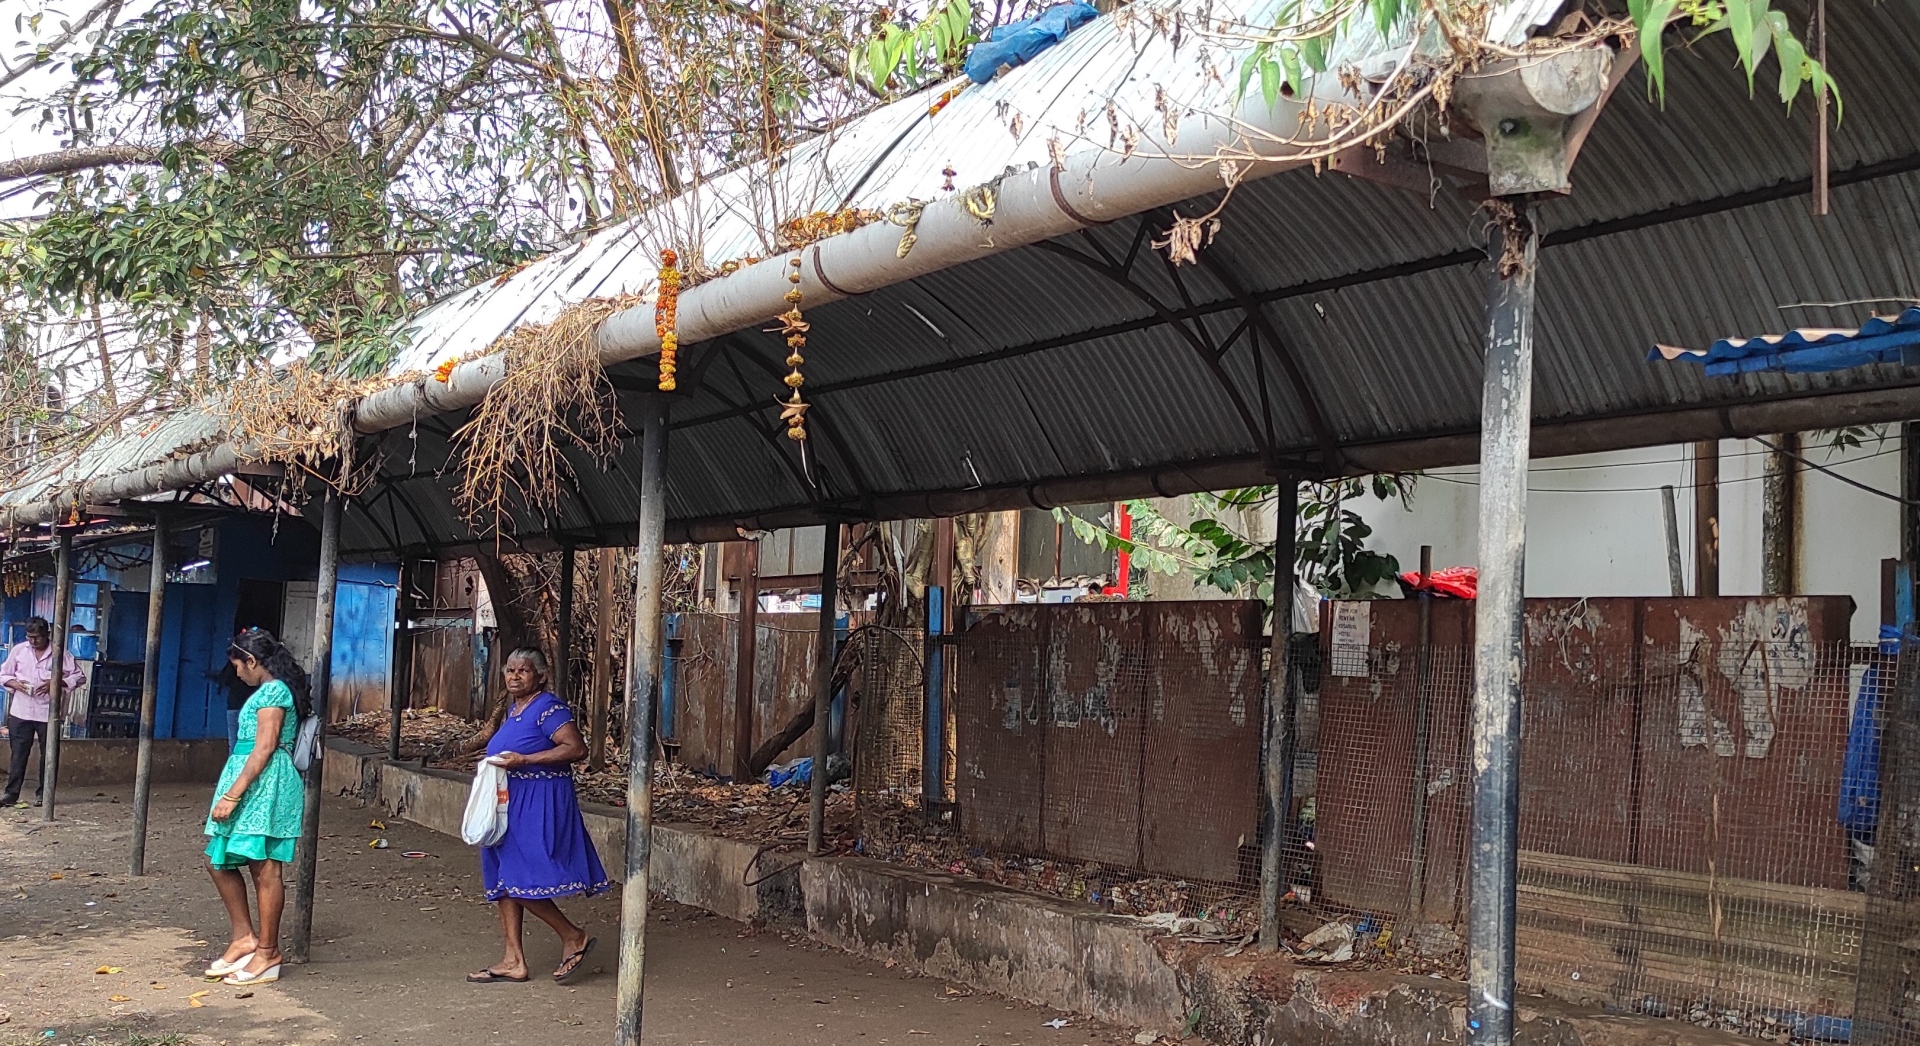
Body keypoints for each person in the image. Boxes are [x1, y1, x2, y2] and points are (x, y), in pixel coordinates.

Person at [464, 647, 607, 984]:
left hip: (540, 799)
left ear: (540, 676)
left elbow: (576, 748)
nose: (515, 676)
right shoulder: (514, 709)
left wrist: (525, 761)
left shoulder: (549, 708)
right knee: (501, 876)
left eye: (523, 671)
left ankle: (573, 935)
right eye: (510, 670)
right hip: (509, 800)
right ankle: (513, 958)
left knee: (520, 877)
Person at [202, 628, 310, 986]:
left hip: (266, 785)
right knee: (219, 857)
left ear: (252, 661)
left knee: (265, 868)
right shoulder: (266, 691)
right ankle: (244, 937)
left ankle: (267, 952)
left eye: (238, 665)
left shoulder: (274, 692)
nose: (236, 673)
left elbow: (264, 747)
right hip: (252, 782)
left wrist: (233, 794)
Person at [0, 617, 86, 808]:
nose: (33, 641)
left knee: (49, 755)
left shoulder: (59, 653)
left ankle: (44, 794)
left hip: (49, 712)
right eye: (30, 637)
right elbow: (3, 674)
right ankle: (11, 794)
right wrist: (15, 684)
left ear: (47, 635)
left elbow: (79, 676)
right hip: (21, 711)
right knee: (18, 754)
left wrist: (57, 682)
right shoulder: (19, 651)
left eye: (37, 637)